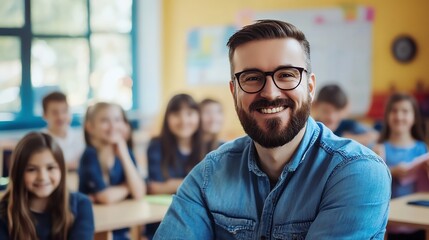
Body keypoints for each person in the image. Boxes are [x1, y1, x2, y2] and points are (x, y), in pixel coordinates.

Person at [154, 20, 391, 239]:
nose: (270, 92)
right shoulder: (208, 176)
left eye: (286, 75)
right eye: (252, 77)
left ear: (310, 87)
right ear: (234, 91)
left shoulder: (357, 171)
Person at [0, 132, 94, 239]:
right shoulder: (4, 214)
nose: (42, 177)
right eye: (31, 169)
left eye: (50, 168)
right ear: (18, 173)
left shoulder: (81, 205)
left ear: (62, 170)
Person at [79, 102, 145, 240]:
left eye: (117, 119)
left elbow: (139, 192)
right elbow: (106, 197)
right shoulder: (89, 155)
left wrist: (124, 153)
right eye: (104, 121)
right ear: (90, 127)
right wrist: (129, 187)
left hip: (120, 229)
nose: (113, 126)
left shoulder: (125, 153)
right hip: (93, 231)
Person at [145, 94, 204, 239]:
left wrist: (171, 184)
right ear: (167, 118)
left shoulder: (206, 146)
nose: (183, 120)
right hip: (160, 221)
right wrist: (197, 182)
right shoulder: (156, 145)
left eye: (189, 113)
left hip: (197, 221)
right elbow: (154, 187)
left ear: (198, 116)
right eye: (176, 114)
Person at [373, 93, 428, 240]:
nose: (399, 116)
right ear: (387, 116)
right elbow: (371, 183)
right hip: (387, 225)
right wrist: (391, 171)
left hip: (417, 222)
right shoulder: (378, 149)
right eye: (394, 110)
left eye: (405, 111)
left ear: (414, 117)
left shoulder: (421, 149)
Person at [312, 84, 379, 146]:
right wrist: (344, 139)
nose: (331, 117)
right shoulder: (313, 127)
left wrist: (351, 138)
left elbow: (376, 135)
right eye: (325, 111)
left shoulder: (349, 125)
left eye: (337, 111)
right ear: (315, 105)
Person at [42, 91, 85, 171]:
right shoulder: (41, 140)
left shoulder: (81, 137)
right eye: (55, 113)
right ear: (45, 115)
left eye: (64, 111)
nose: (60, 117)